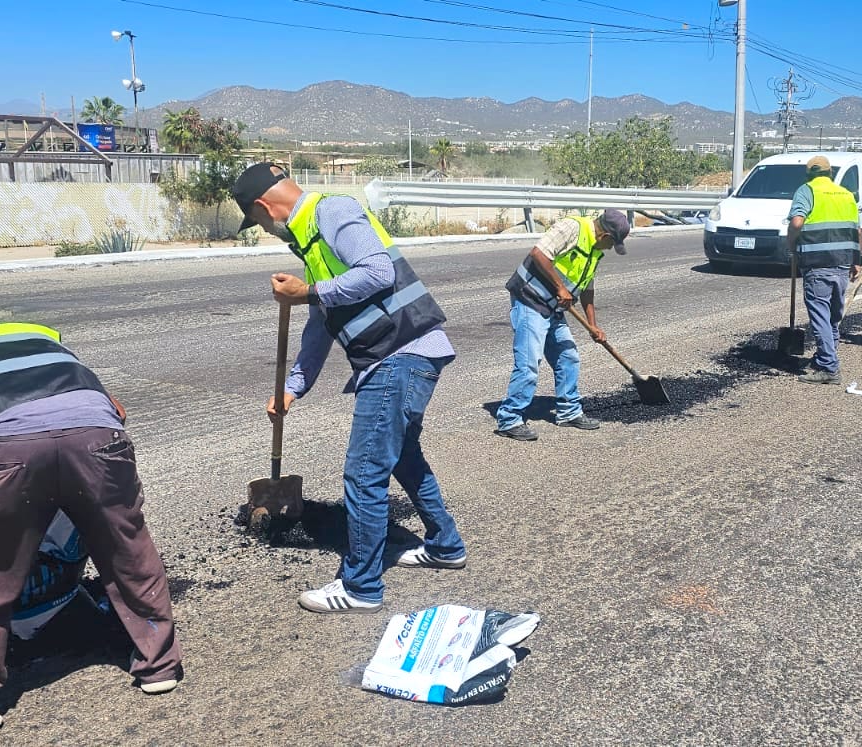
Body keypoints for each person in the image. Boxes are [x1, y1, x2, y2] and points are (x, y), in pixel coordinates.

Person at [0, 318, 181, 738]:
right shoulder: (34, 340)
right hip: (97, 434)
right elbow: (114, 411)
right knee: (128, 551)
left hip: (4, 444)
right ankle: (159, 666)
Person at [232, 163, 468, 614]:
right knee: (403, 458)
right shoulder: (311, 241)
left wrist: (309, 292)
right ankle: (445, 546)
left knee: (364, 472)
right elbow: (320, 327)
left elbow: (377, 272)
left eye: (258, 222)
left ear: (264, 207)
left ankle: (360, 586)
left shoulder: (332, 212)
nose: (265, 230)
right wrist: (292, 388)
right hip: (402, 354)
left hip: (399, 353)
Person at [492, 209, 631, 440]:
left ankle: (569, 412)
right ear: (604, 236)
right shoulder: (571, 229)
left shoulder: (594, 251)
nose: (610, 249)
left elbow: (587, 288)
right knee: (529, 362)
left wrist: (592, 325)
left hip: (555, 306)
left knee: (568, 357)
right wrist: (560, 288)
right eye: (611, 244)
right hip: (530, 299)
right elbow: (538, 254)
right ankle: (509, 419)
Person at [786, 155, 862, 384]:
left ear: (809, 175)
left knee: (819, 314)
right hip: (842, 262)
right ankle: (825, 356)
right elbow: (857, 231)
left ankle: (829, 368)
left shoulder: (806, 190)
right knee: (833, 315)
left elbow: (797, 222)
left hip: (817, 262)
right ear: (829, 174)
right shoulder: (846, 194)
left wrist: (791, 246)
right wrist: (856, 260)